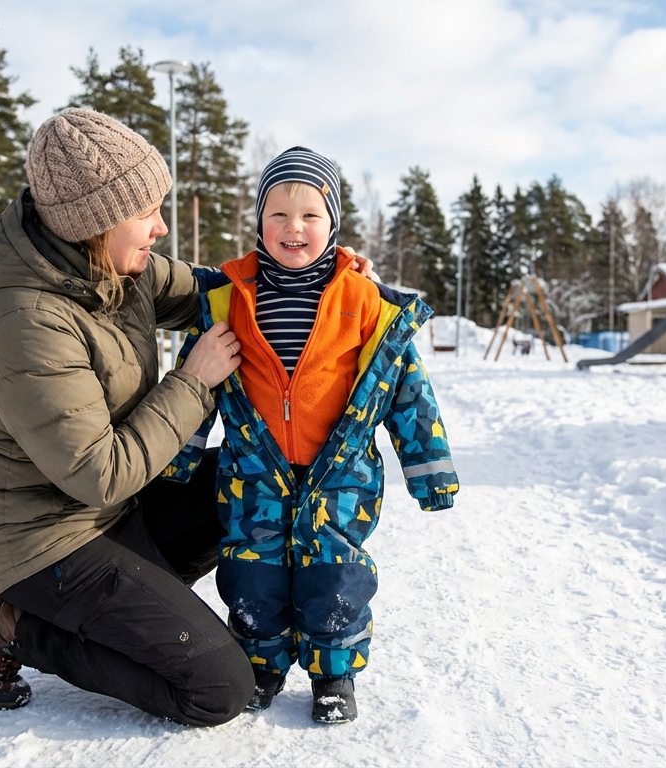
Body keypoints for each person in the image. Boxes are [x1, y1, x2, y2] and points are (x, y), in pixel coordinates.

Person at [0, 108, 255, 726]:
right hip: (38, 540)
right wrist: (193, 381)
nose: (161, 228)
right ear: (95, 222)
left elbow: (211, 289)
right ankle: (9, 623)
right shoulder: (24, 320)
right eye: (147, 214)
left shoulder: (114, 268)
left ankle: (127, 606)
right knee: (218, 688)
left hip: (107, 514)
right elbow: (98, 474)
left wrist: (315, 272)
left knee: (247, 485)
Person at [162, 147, 459, 724]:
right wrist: (181, 456)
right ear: (258, 222)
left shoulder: (365, 300)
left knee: (335, 572)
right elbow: (194, 377)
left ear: (333, 224)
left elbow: (405, 388)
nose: (293, 227)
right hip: (253, 469)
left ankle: (334, 674)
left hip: (341, 471)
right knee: (253, 571)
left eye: (309, 215)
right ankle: (261, 664)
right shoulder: (227, 296)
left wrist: (431, 469)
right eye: (277, 213)